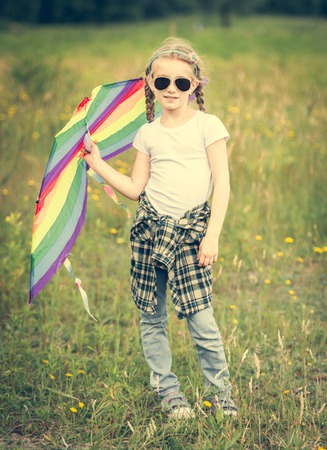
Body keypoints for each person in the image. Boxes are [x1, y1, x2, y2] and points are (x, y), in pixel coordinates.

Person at [83, 37, 237, 420]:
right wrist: (99, 165)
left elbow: (223, 183)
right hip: (151, 231)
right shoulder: (148, 133)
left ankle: (222, 397)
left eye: (181, 83)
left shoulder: (208, 125)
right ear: (149, 82)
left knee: (202, 320)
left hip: (191, 235)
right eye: (163, 81)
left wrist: (212, 234)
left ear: (195, 85)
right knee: (152, 316)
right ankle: (169, 392)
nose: (172, 89)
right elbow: (136, 189)